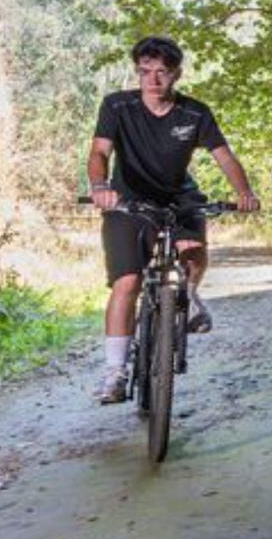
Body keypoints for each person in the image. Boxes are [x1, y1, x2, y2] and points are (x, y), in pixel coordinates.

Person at [87, 36, 260, 403]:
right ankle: (115, 372)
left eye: (162, 72)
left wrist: (245, 192)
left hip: (179, 196)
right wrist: (100, 187)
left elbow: (224, 156)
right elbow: (100, 151)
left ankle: (188, 296)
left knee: (193, 252)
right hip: (127, 198)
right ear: (137, 72)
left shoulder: (194, 113)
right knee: (128, 282)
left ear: (176, 74)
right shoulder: (117, 105)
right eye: (145, 71)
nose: (153, 80)